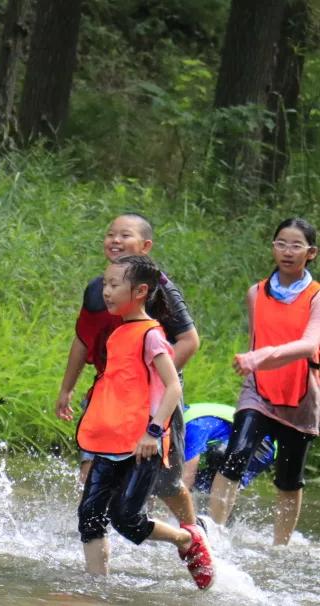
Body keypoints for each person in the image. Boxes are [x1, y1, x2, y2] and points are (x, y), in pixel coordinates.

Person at [75, 255, 214, 588]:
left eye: (113, 285)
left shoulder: (151, 334)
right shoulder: (118, 332)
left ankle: (186, 540)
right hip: (111, 443)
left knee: (127, 519)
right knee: (89, 517)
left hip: (144, 446)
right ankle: (96, 587)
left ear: (139, 291)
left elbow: (173, 386)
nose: (105, 292)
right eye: (105, 284)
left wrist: (154, 432)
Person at [55, 213, 201, 528]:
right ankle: (94, 532)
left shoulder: (159, 288)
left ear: (145, 246)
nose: (115, 241)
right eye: (111, 235)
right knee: (93, 465)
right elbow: (83, 340)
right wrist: (67, 388)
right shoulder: (99, 288)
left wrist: (147, 385)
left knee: (166, 482)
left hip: (155, 396)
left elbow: (189, 341)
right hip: (107, 393)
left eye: (125, 235)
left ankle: (193, 533)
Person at [208, 218, 320, 545]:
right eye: (281, 243)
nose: (287, 251)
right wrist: (258, 363)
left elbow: (309, 344)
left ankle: (280, 548)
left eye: (296, 245)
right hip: (258, 390)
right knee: (236, 453)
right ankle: (213, 536)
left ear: (310, 252)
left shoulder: (316, 297)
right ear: (272, 247)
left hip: (301, 396)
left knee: (288, 479)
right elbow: (258, 335)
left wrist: (259, 357)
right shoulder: (255, 293)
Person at [182, 402, 275, 493]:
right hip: (240, 444)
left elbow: (187, 477)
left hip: (262, 446)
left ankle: (227, 496)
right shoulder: (180, 418)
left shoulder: (193, 426)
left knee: (218, 456)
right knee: (200, 486)